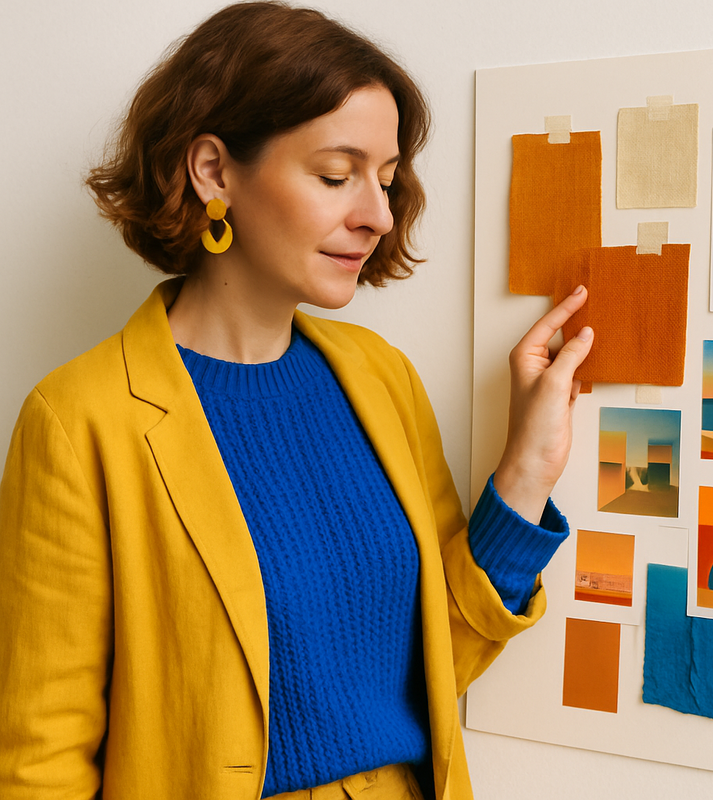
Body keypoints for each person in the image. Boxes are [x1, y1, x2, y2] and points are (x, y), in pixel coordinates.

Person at [0, 2, 592, 798]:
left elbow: (441, 647)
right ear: (213, 172)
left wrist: (528, 470)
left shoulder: (381, 378)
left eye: (385, 181)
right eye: (336, 175)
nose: (378, 215)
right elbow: (41, 757)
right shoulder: (79, 421)